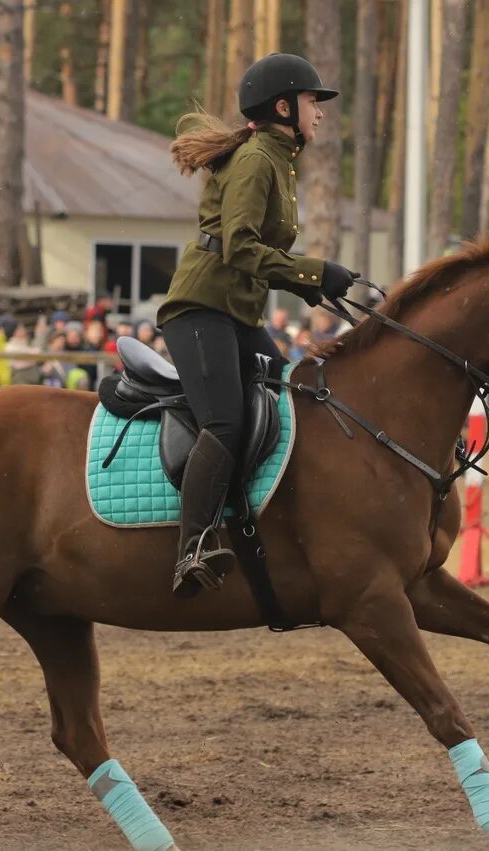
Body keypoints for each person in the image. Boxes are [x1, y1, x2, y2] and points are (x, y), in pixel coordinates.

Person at [159, 53, 355, 596]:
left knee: (287, 398)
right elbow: (243, 247)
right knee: (224, 421)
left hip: (238, 313)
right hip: (200, 309)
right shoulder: (257, 161)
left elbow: (256, 253)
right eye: (315, 102)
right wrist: (315, 270)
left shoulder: (279, 159)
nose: (320, 113)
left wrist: (317, 283)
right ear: (285, 106)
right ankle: (192, 545)